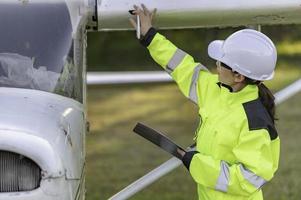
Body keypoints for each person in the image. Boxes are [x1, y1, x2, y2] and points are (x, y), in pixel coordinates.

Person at [129, 4, 280, 200]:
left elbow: (249, 179)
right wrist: (150, 37)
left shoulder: (255, 122)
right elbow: (182, 66)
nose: (216, 64)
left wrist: (199, 164)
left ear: (238, 76)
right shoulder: (215, 89)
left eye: (221, 61)